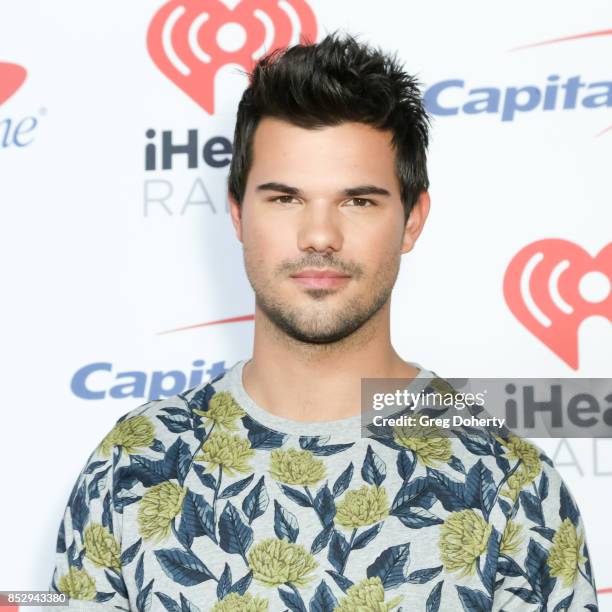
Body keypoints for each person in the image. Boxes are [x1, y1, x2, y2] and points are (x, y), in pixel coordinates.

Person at [49, 32, 598, 611]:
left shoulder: (510, 480)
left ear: (412, 220)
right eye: (284, 198)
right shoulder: (136, 463)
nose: (319, 236)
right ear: (238, 213)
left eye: (358, 201)